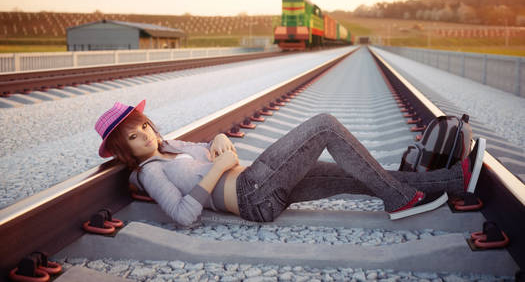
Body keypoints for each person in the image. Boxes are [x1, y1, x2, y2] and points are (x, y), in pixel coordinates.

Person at [95, 100, 486, 226]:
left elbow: (205, 145)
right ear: (124, 149)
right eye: (134, 135)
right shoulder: (149, 172)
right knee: (325, 126)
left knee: (349, 174)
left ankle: (453, 178)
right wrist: (216, 169)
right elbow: (182, 215)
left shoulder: (166, 146)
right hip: (253, 194)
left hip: (263, 189)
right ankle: (398, 198)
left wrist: (217, 140)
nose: (145, 134)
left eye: (143, 125)